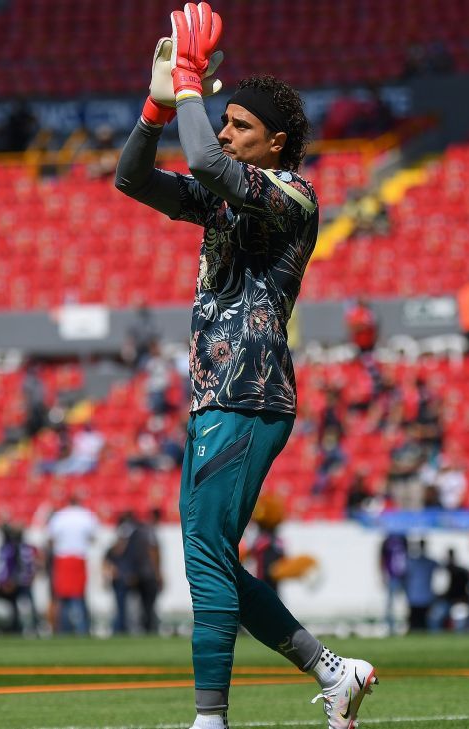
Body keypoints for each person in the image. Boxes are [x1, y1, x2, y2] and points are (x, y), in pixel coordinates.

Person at [114, 7, 376, 726]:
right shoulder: (224, 197)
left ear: (277, 143)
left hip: (249, 393)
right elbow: (131, 179)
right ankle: (334, 671)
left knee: (205, 553)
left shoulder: (292, 194)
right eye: (223, 121)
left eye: (240, 126)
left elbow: (205, 162)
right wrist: (154, 109)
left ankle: (210, 718)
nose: (224, 132)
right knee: (215, 558)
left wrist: (189, 85)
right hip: (216, 394)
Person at [46, 494, 98, 635]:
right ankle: (83, 629)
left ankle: (64, 630)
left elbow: (51, 539)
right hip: (79, 557)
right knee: (79, 595)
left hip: (62, 558)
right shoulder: (87, 515)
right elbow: (93, 538)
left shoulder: (59, 516)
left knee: (63, 596)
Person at [0, 523, 40, 635]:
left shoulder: (9, 548)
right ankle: (28, 626)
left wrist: (2, 580)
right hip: (21, 581)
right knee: (23, 605)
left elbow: (5, 566)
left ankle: (20, 627)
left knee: (18, 606)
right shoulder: (24, 547)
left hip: (18, 581)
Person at [404, 538, 439, 632]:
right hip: (421, 596)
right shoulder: (428, 562)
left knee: (417, 623)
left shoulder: (412, 562)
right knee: (420, 623)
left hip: (416, 595)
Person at [379, 531, 408, 633]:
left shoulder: (403, 538)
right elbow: (381, 558)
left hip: (403, 576)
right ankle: (390, 626)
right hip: (391, 576)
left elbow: (407, 556)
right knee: (390, 604)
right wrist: (383, 574)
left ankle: (405, 624)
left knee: (404, 602)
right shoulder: (386, 541)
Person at [438, 548, 469, 632]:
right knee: (436, 618)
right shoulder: (443, 571)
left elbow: (468, 589)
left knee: (460, 623)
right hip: (446, 601)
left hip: (459, 601)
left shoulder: (462, 572)